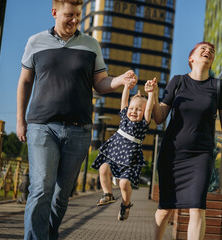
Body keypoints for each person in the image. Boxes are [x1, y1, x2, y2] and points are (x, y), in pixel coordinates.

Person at [16, 0, 138, 239]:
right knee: (41, 187)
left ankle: (49, 235)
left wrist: (120, 80)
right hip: (42, 126)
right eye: (69, 15)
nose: (74, 20)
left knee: (61, 195)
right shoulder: (35, 42)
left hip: (78, 130)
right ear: (54, 13)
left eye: (78, 16)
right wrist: (21, 120)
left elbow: (100, 84)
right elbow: (25, 82)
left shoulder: (91, 45)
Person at [147, 42, 222, 240]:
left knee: (198, 208)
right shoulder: (178, 81)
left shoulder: (218, 86)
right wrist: (153, 97)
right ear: (191, 59)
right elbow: (159, 117)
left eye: (211, 51)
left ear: (212, 60)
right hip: (172, 155)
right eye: (203, 49)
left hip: (201, 156)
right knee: (165, 209)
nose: (208, 51)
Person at [91, 80, 155, 221]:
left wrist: (151, 94)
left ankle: (125, 205)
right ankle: (107, 194)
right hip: (114, 152)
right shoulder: (124, 117)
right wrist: (126, 87)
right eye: (132, 108)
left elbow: (149, 108)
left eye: (139, 110)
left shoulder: (143, 123)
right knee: (103, 169)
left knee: (124, 183)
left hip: (130, 159)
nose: (134, 111)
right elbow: (124, 101)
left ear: (144, 113)